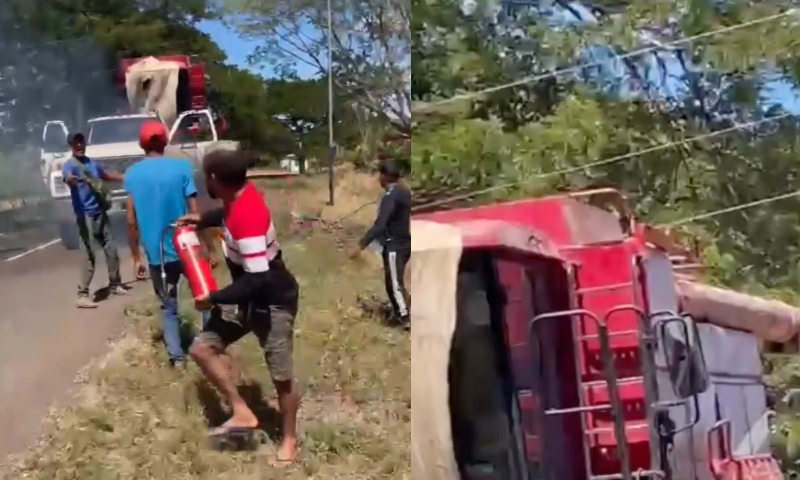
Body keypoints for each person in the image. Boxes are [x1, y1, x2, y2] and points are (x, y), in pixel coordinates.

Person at [179, 149, 301, 465]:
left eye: (205, 175)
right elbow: (224, 216)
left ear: (216, 180)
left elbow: (257, 278)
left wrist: (215, 298)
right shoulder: (238, 197)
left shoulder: (248, 215)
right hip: (246, 297)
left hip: (271, 301)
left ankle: (289, 440)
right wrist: (202, 219)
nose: (203, 180)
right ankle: (243, 412)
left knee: (281, 376)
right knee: (202, 349)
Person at [123, 121, 209, 368]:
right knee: (203, 298)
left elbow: (131, 221)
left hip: (157, 252)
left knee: (169, 306)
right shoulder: (181, 168)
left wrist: (136, 257)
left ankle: (177, 358)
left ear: (141, 144)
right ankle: (211, 347)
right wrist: (205, 245)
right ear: (165, 141)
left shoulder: (133, 174)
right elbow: (195, 212)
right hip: (187, 248)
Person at [63, 132, 129, 308]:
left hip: (100, 212)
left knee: (111, 248)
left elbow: (105, 175)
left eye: (81, 142)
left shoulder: (91, 163)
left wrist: (124, 177)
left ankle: (115, 284)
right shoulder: (70, 165)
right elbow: (67, 178)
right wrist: (71, 181)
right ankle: (82, 294)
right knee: (89, 254)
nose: (79, 145)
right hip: (85, 216)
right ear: (71, 145)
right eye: (76, 143)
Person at [350, 159, 411, 328]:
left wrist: (361, 245)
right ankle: (403, 310)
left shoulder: (391, 196)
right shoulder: (404, 192)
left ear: (384, 177)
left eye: (379, 175)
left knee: (394, 282)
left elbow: (381, 224)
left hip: (395, 245)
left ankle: (404, 317)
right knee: (397, 280)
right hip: (405, 242)